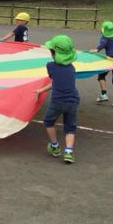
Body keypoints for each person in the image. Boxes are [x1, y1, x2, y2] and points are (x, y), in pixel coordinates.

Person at [34, 35, 80, 164]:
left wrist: (40, 90)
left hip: (57, 101)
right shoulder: (72, 68)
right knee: (70, 127)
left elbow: (55, 81)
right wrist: (41, 90)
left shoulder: (50, 66)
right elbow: (58, 83)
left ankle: (54, 146)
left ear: (54, 53)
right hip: (73, 100)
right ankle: (69, 151)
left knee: (48, 122)